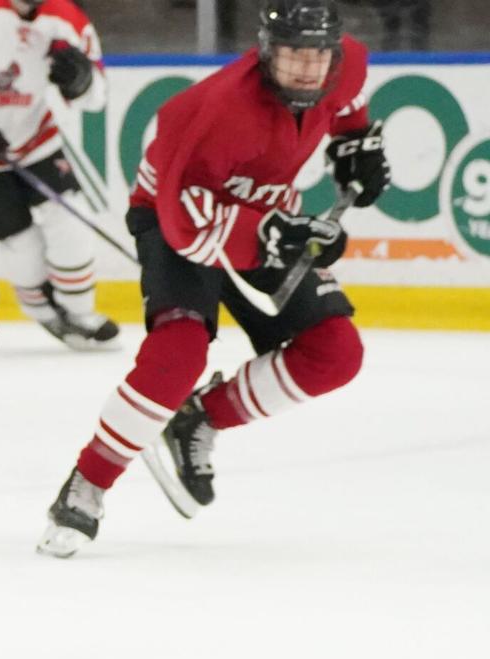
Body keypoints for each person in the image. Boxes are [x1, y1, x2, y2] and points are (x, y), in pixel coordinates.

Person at [37, 0, 391, 557]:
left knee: (336, 352)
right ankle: (87, 484)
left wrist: (355, 144)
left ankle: (199, 418)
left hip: (262, 214)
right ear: (267, 52)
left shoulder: (345, 63)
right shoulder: (212, 113)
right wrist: (273, 233)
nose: (305, 69)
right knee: (176, 356)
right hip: (176, 214)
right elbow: (187, 229)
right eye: (292, 55)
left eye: (316, 56)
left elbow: (347, 106)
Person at [0, 0, 120, 351]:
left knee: (71, 221)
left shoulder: (67, 18)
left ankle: (80, 312)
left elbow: (97, 98)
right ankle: (45, 313)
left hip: (38, 142)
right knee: (20, 242)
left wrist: (82, 81)